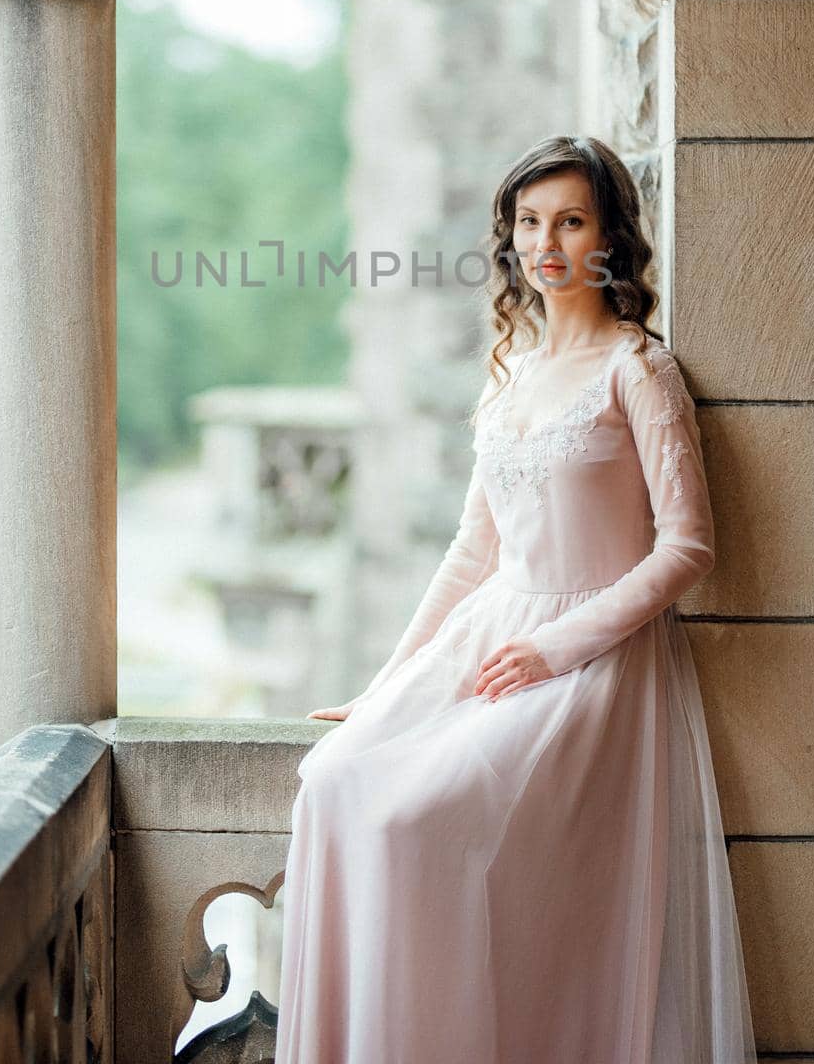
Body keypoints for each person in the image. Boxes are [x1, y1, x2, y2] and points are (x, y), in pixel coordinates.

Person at [273, 135, 757, 1064]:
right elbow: (470, 553)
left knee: (410, 822)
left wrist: (557, 648)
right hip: (492, 635)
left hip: (590, 660)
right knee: (332, 778)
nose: (547, 243)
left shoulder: (639, 370)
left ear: (609, 239)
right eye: (529, 223)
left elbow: (687, 547)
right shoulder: (512, 375)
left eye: (571, 221)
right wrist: (388, 686)